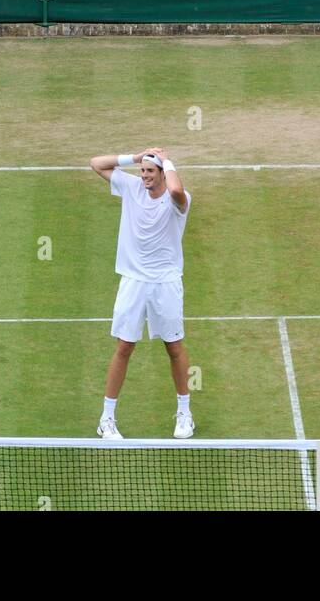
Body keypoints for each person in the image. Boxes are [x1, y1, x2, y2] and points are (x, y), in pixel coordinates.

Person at [89, 148, 193, 440]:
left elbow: (176, 188)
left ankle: (184, 414)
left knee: (174, 347)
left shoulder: (179, 200)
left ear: (162, 173)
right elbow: (96, 163)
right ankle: (106, 418)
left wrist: (167, 158)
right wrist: (135, 158)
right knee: (124, 347)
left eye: (150, 171)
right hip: (133, 281)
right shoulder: (132, 186)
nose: (145, 176)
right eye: (143, 172)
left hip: (166, 282)